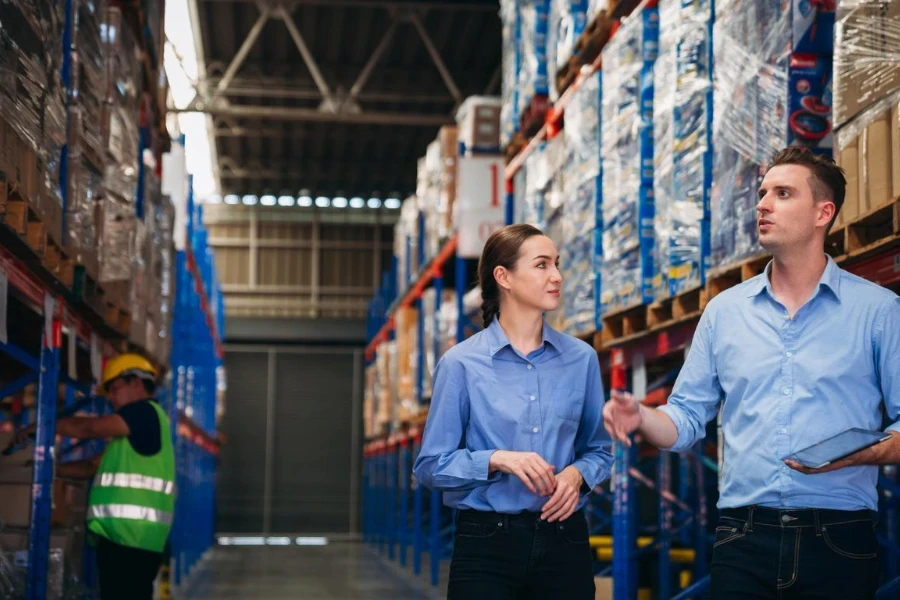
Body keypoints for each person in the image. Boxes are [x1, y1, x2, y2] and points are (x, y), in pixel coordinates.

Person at [603, 147, 900, 599]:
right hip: (743, 537)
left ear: (824, 212)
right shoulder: (724, 312)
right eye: (762, 193)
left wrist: (858, 454)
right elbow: (683, 421)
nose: (762, 204)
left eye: (782, 193)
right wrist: (640, 417)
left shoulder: (878, 312)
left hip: (838, 540)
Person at [413, 224, 613, 600]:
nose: (557, 276)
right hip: (487, 544)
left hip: (564, 539)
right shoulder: (461, 364)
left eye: (557, 264)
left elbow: (600, 450)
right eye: (541, 265)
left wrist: (576, 476)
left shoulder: (581, 359)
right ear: (503, 276)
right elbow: (430, 466)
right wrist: (498, 459)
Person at [13, 353, 175, 600]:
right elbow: (91, 466)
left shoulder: (145, 413)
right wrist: (49, 469)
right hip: (127, 540)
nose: (110, 398)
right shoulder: (134, 433)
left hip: (131, 540)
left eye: (114, 389)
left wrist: (42, 426)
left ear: (137, 383)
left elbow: (90, 428)